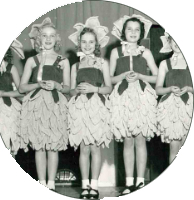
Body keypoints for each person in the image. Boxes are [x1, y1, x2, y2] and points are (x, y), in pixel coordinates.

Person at [19, 17, 70, 191]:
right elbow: (21, 87)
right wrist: (37, 85)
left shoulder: (63, 60)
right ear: (39, 39)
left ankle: (51, 184)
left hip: (55, 106)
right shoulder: (32, 61)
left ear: (57, 39)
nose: (48, 39)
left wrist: (57, 85)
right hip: (37, 105)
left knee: (53, 146)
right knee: (40, 145)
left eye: (52, 36)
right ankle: (41, 184)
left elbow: (68, 87)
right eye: (44, 36)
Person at [109, 15, 158, 195]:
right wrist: (122, 76)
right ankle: (129, 182)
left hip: (142, 97)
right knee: (127, 140)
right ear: (123, 32)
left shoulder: (145, 52)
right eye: (129, 29)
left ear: (141, 33)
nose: (133, 33)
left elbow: (156, 76)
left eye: (137, 30)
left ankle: (140, 182)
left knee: (140, 140)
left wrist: (141, 76)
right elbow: (110, 78)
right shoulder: (116, 52)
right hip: (122, 98)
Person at [68, 16, 112, 199]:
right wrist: (75, 90)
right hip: (80, 108)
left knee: (95, 147)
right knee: (84, 148)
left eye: (91, 42)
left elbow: (109, 87)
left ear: (97, 44)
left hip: (97, 107)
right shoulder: (75, 65)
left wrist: (95, 89)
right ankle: (85, 185)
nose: (87, 45)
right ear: (79, 43)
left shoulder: (102, 63)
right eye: (84, 42)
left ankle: (94, 185)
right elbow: (70, 90)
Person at [156, 32, 193, 163]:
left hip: (189, 107)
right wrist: (169, 89)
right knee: (174, 147)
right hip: (171, 108)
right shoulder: (164, 64)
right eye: (174, 40)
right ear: (169, 42)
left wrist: (189, 89)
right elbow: (158, 89)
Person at [0, 40, 24, 157]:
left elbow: (21, 91)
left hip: (6, 109)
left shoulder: (11, 68)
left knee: (8, 141)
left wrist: (3, 94)